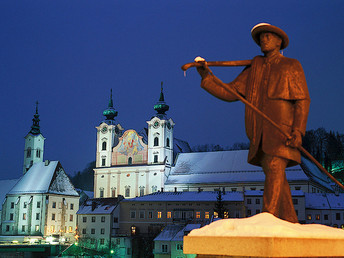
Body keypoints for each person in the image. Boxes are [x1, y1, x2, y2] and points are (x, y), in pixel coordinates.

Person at [197, 23, 310, 223]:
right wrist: (206, 76)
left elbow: (302, 100)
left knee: (275, 167)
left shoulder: (291, 65)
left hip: (282, 130)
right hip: (260, 132)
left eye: (268, 36)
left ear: (279, 41)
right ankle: (290, 218)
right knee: (275, 173)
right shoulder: (254, 68)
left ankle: (268, 218)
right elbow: (229, 92)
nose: (263, 39)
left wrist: (298, 131)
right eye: (261, 37)